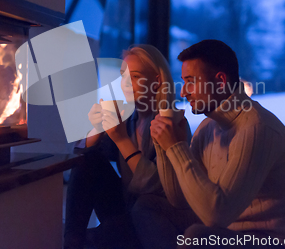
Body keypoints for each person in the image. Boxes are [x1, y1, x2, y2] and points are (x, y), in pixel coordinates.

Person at [135, 40, 285, 249]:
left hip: (278, 242)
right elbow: (179, 199)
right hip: (230, 231)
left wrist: (177, 148)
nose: (184, 92)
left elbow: (216, 215)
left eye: (191, 81)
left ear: (220, 81)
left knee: (198, 236)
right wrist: (164, 144)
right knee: (148, 206)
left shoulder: (257, 128)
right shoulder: (208, 127)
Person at [64, 44, 192, 249]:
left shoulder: (173, 123)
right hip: (126, 207)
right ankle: (71, 241)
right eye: (123, 77)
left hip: (156, 216)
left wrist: (122, 140)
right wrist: (95, 131)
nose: (126, 84)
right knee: (90, 161)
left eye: (135, 77)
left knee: (107, 232)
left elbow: (157, 187)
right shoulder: (129, 120)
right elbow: (85, 168)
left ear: (156, 81)